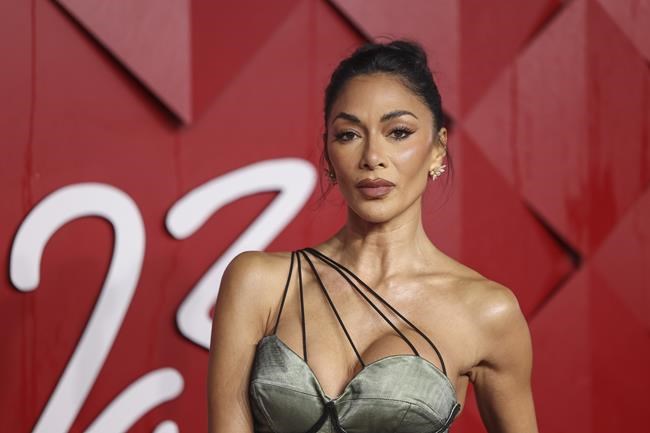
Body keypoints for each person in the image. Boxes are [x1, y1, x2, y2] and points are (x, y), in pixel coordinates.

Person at [207, 39, 538, 433]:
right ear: (329, 155)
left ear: (437, 149)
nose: (372, 157)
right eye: (349, 135)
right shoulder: (259, 283)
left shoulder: (487, 312)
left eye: (398, 132)